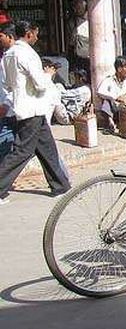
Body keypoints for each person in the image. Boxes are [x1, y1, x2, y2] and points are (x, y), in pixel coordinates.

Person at [0, 20, 71, 205]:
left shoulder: (9, 54)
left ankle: (60, 185)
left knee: (46, 148)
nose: (37, 37)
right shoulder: (28, 54)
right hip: (31, 107)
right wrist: (48, 74)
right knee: (23, 151)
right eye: (36, 33)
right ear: (29, 33)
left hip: (27, 107)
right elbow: (40, 84)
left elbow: (7, 83)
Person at [96, 56, 126, 132]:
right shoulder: (109, 80)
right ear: (119, 69)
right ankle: (111, 123)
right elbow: (100, 91)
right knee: (106, 103)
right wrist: (115, 97)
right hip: (115, 109)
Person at [0, 22, 16, 162]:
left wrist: (6, 105)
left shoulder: (14, 56)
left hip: (12, 110)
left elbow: (16, 86)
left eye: (1, 36)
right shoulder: (7, 56)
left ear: (9, 37)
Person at [41, 59, 70, 125]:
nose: (55, 72)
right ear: (46, 68)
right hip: (43, 126)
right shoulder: (53, 89)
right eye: (53, 69)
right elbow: (60, 114)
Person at [66, 0, 89, 71]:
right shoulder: (72, 22)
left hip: (90, 55)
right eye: (75, 8)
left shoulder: (92, 18)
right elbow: (71, 41)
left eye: (78, 8)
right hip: (78, 56)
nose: (76, 10)